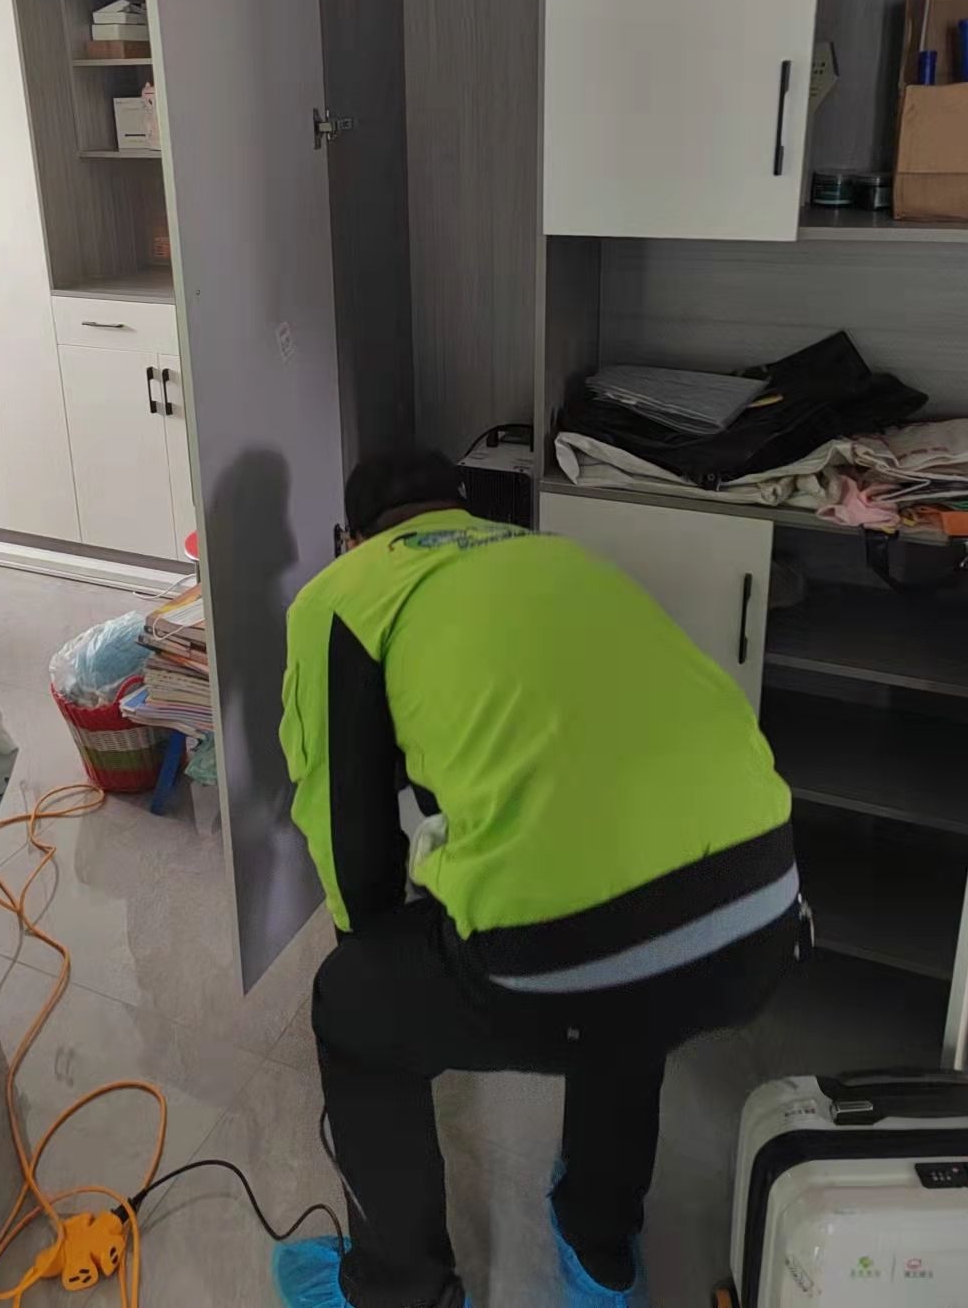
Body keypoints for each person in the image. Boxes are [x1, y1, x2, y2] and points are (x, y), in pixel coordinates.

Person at [273, 449, 798, 1308]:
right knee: (625, 965)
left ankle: (399, 1290)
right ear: (466, 510)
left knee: (353, 1006)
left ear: (352, 539)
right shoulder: (553, 554)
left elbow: (346, 827)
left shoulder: (345, 593)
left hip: (588, 950)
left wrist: (380, 969)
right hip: (763, 913)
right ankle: (599, 1246)